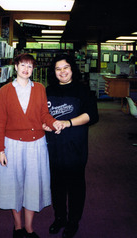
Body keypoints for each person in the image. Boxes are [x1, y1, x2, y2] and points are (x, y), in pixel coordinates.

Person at [0, 53, 65, 238]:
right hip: (12, 145)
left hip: (36, 145)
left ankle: (29, 228)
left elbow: (44, 115)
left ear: (33, 70)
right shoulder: (4, 91)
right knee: (13, 185)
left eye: (30, 66)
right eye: (23, 65)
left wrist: (53, 123)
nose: (26, 69)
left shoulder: (40, 89)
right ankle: (18, 227)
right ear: (15, 67)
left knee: (33, 185)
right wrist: (0, 150)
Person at [43, 53, 99, 238]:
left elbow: (92, 116)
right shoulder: (47, 91)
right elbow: (41, 116)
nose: (62, 72)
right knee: (56, 185)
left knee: (75, 185)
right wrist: (47, 125)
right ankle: (60, 218)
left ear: (72, 69)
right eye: (58, 69)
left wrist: (68, 122)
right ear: (54, 72)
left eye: (65, 67)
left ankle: (73, 222)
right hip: (53, 146)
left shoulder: (83, 90)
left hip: (75, 146)